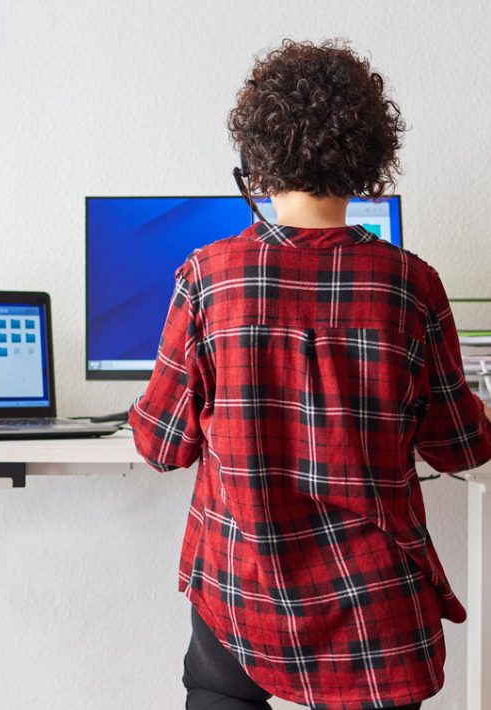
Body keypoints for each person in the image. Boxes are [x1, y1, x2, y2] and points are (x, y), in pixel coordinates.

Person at [128, 39, 491, 710]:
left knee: (215, 689)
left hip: (245, 591)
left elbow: (159, 448)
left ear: (255, 163)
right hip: (373, 611)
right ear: (369, 161)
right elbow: (461, 447)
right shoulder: (412, 286)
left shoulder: (207, 280)